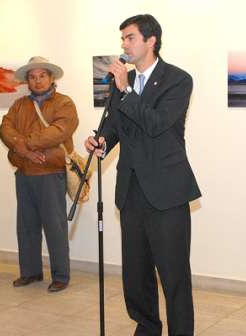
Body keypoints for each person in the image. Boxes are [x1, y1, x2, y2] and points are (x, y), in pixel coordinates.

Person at [84, 14, 201, 336]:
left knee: (174, 275)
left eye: (130, 38)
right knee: (136, 275)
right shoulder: (121, 85)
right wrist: (101, 142)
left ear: (151, 41)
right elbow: (115, 128)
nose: (124, 44)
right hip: (131, 191)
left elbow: (156, 123)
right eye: (122, 38)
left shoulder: (178, 79)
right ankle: (147, 328)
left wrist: (126, 92)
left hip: (167, 193)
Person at [0, 56, 78, 292]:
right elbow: (5, 128)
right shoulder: (19, 105)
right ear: (27, 81)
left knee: (55, 227)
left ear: (51, 78)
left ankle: (61, 275)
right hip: (24, 173)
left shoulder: (64, 103)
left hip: (51, 173)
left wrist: (26, 145)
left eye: (42, 76)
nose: (37, 81)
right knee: (26, 227)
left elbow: (59, 131)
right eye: (32, 77)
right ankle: (30, 272)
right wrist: (23, 150)